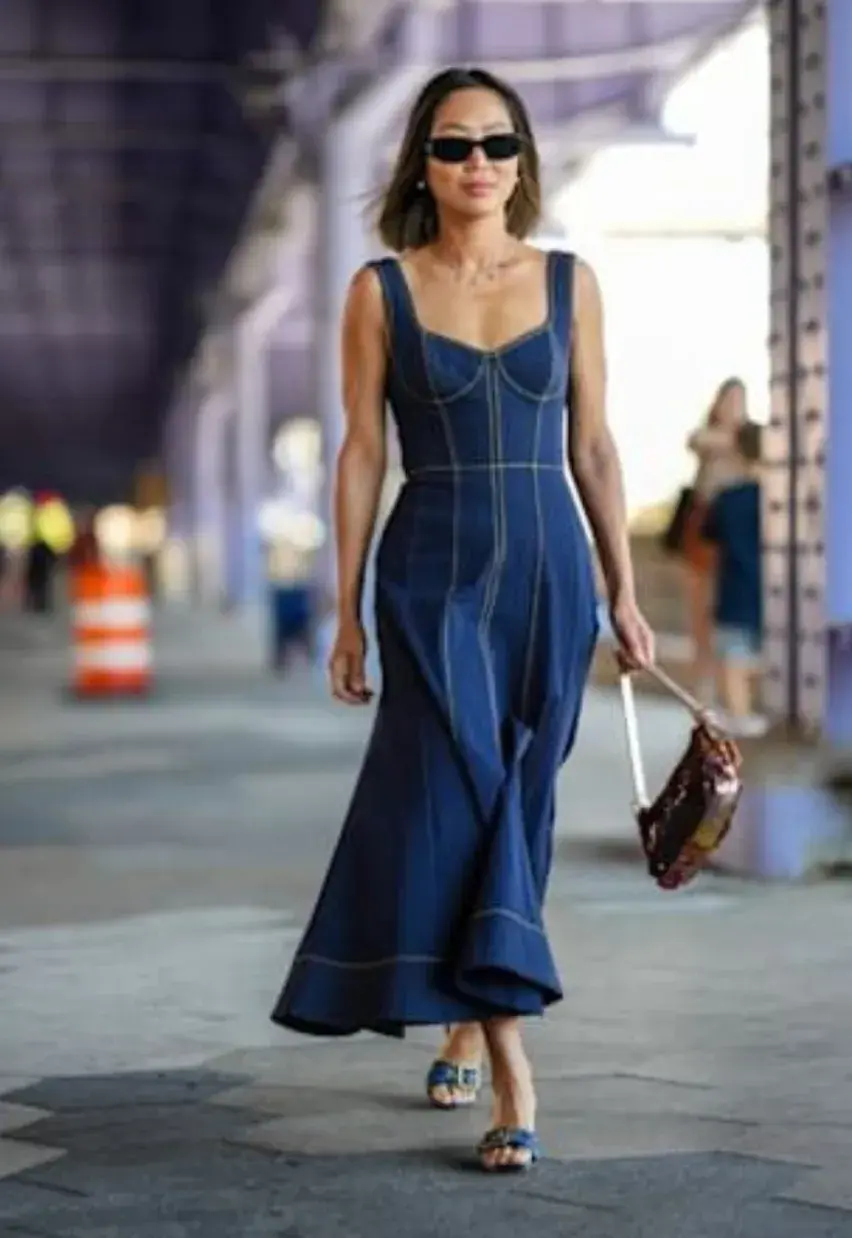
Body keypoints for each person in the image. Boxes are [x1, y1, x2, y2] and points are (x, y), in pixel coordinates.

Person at [271, 66, 654, 1172]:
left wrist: (623, 589)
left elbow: (593, 447)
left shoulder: (571, 283)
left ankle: (461, 1015)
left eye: (495, 143)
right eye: (452, 146)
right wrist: (342, 613)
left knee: (518, 801)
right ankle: (517, 1066)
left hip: (547, 568)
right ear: (422, 166)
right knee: (457, 787)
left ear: (523, 161)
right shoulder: (377, 291)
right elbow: (359, 455)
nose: (476, 163)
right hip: (432, 572)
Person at [679, 378, 749, 701]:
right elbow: (696, 441)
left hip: (737, 536)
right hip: (704, 532)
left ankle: (728, 694)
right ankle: (703, 693)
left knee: (730, 619)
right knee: (700, 616)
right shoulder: (711, 438)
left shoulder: (751, 440)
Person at [702, 420, 766, 737]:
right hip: (773, 593)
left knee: (733, 663)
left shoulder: (727, 499)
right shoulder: (780, 501)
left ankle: (741, 723)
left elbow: (708, 541)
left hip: (733, 590)